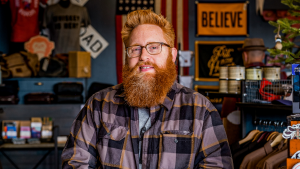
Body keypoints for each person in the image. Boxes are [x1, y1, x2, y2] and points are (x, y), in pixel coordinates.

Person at [61, 9, 233, 169]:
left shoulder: (201, 110)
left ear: (172, 55)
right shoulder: (98, 105)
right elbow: (75, 163)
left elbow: (217, 165)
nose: (143, 56)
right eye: (135, 49)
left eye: (154, 47)